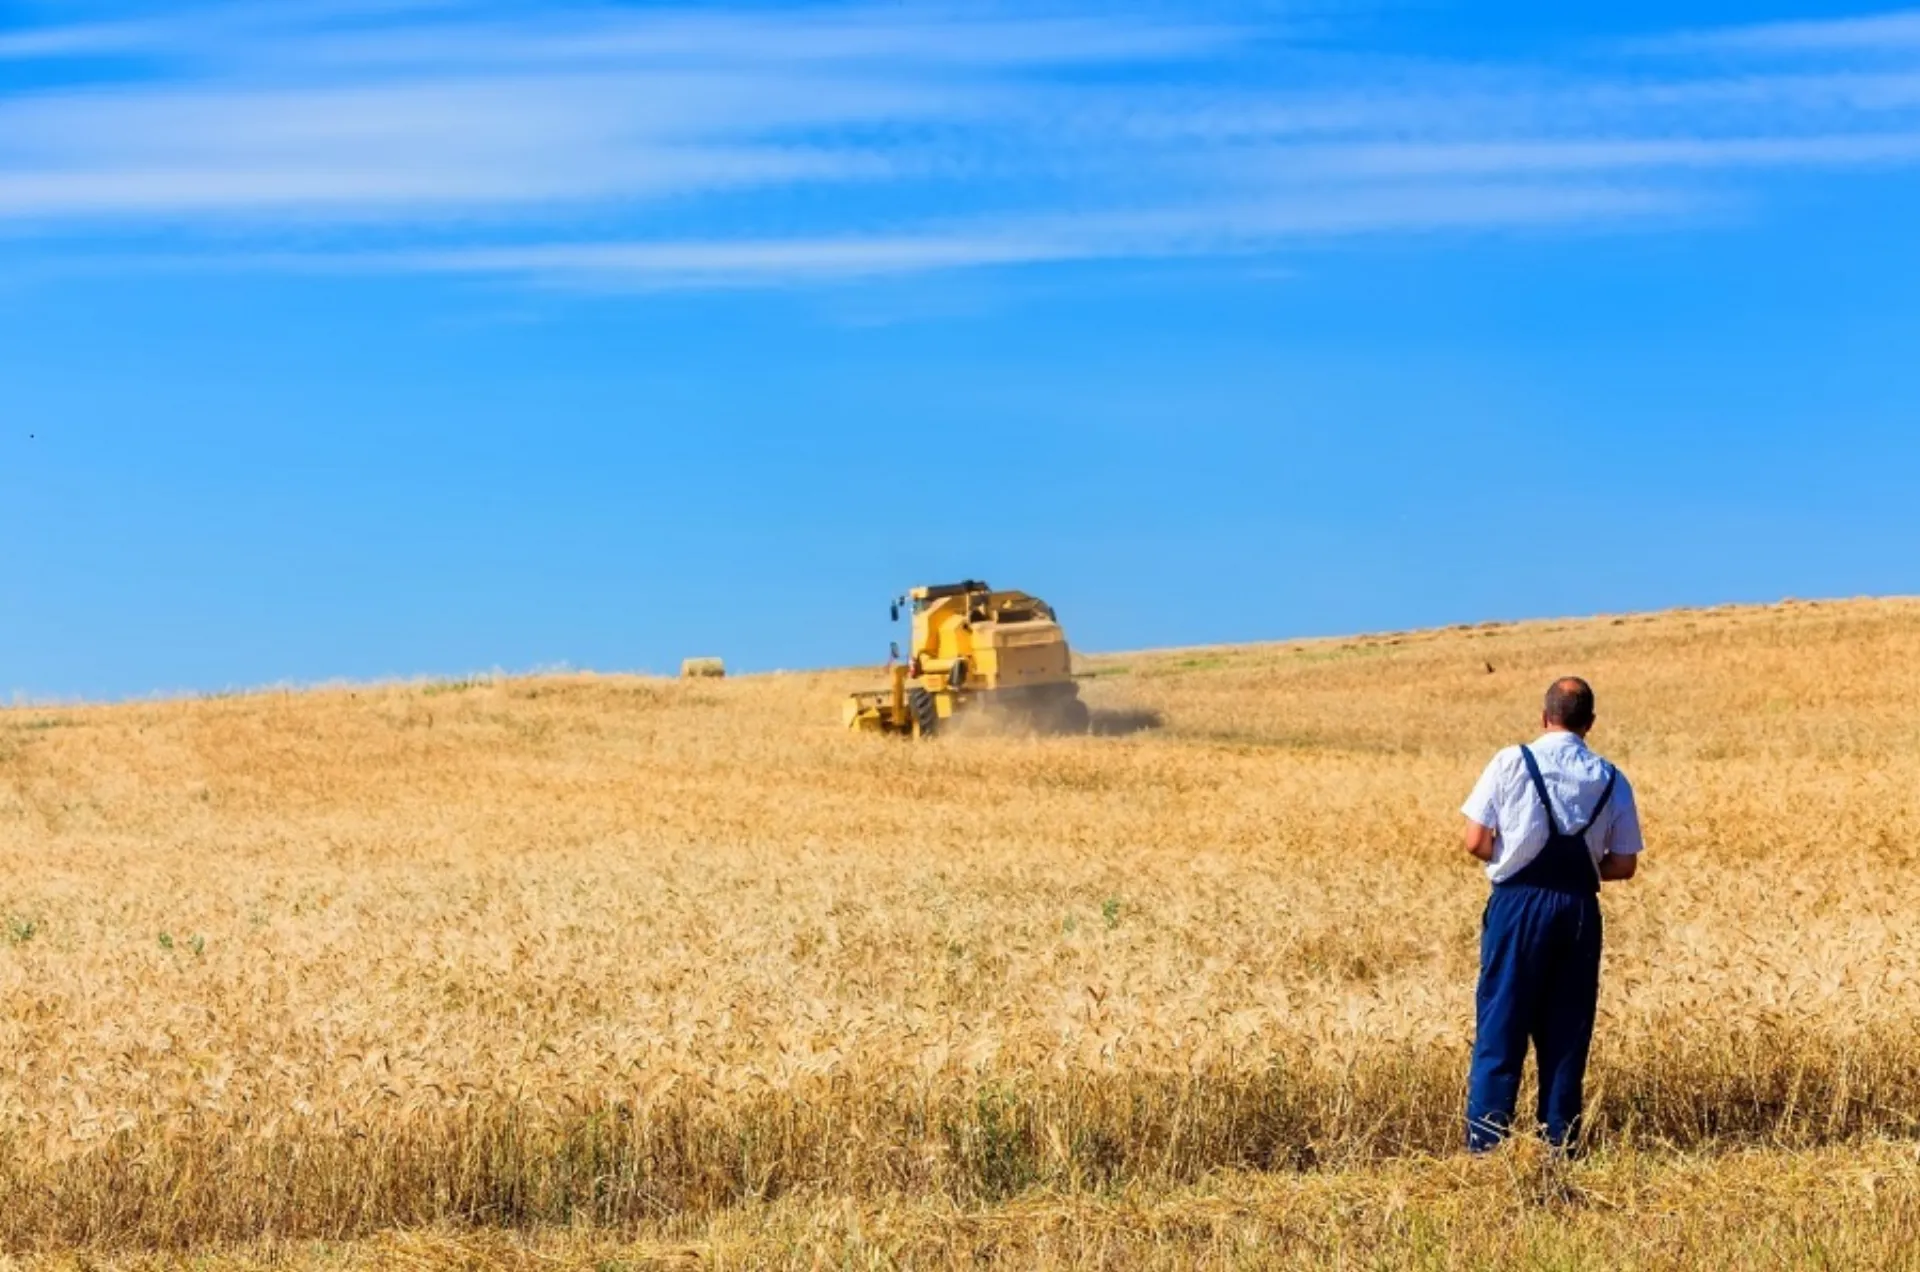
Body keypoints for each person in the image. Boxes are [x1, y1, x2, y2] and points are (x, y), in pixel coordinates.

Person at [1459, 677, 1644, 1153]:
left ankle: (1487, 1148)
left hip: (1517, 906)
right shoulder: (1611, 777)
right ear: (1590, 724)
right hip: (1578, 910)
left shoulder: (1510, 761)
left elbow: (1475, 841)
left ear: (1544, 717)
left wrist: (1515, 855)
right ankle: (1559, 1147)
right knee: (1566, 1030)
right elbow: (1624, 864)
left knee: (1501, 1024)